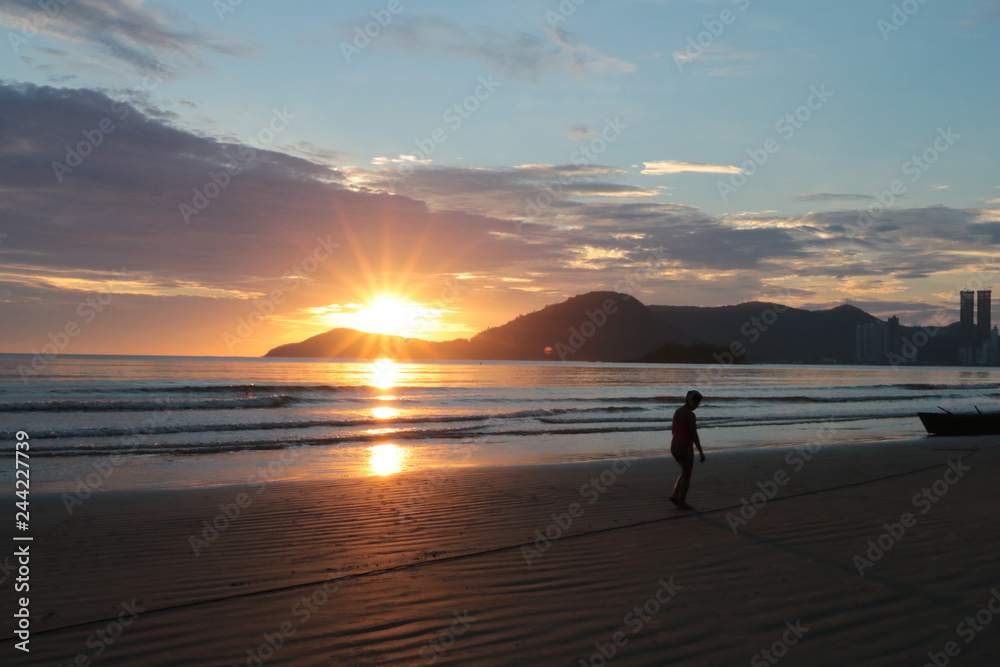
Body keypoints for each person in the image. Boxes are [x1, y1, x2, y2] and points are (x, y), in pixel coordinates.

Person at [669, 390, 704, 510]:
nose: (697, 406)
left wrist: (675, 443)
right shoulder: (690, 415)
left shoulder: (677, 412)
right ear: (691, 401)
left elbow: (673, 430)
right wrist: (700, 451)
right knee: (687, 476)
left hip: (674, 447)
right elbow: (694, 435)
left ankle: (675, 495)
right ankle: (681, 503)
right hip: (685, 448)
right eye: (697, 403)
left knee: (684, 472)